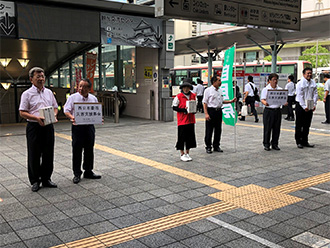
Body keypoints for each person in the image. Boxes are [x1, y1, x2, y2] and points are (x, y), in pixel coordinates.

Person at [19, 67, 58, 192]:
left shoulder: (49, 93)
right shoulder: (27, 94)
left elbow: (55, 107)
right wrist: (36, 118)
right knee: (34, 154)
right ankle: (35, 180)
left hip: (48, 126)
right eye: (38, 77)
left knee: (48, 153)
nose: (41, 79)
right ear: (31, 79)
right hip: (34, 127)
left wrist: (55, 115)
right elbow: (22, 112)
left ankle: (46, 178)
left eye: (42, 76)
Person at [64, 79, 102, 184]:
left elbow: (95, 112)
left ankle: (88, 171)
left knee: (89, 149)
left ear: (89, 89)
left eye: (84, 87)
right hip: (77, 127)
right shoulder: (73, 98)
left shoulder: (93, 98)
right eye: (80, 86)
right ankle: (77, 173)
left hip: (89, 127)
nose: (81, 89)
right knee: (77, 150)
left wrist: (99, 118)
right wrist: (72, 118)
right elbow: (66, 110)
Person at [202, 75, 236, 154]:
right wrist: (206, 113)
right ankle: (208, 146)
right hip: (211, 111)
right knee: (209, 130)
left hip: (219, 111)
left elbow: (222, 101)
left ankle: (216, 145)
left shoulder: (220, 90)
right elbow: (205, 102)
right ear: (214, 82)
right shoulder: (208, 90)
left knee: (218, 129)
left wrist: (231, 101)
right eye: (219, 80)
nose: (220, 82)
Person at [260, 73, 287, 151]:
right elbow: (262, 99)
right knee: (267, 128)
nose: (275, 81)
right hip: (269, 111)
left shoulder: (280, 89)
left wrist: (285, 103)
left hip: (277, 111)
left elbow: (284, 100)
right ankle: (266, 144)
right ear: (269, 81)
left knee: (276, 128)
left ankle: (275, 144)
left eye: (276, 80)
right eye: (273, 80)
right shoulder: (266, 89)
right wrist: (265, 103)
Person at [172, 79, 197, 161]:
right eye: (184, 87)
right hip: (182, 120)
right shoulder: (178, 96)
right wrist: (183, 110)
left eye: (188, 87)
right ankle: (182, 153)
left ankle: (187, 153)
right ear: (182, 88)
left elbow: (195, 105)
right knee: (182, 137)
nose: (186, 89)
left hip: (191, 120)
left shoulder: (193, 95)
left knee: (190, 137)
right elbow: (174, 107)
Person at [295, 68, 318, 149]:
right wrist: (304, 107)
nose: (309, 75)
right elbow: (299, 96)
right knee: (299, 124)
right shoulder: (300, 84)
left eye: (310, 73)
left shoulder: (313, 83)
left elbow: (315, 94)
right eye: (308, 73)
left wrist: (314, 104)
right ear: (304, 74)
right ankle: (298, 141)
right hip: (301, 106)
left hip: (310, 104)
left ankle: (305, 141)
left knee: (307, 125)